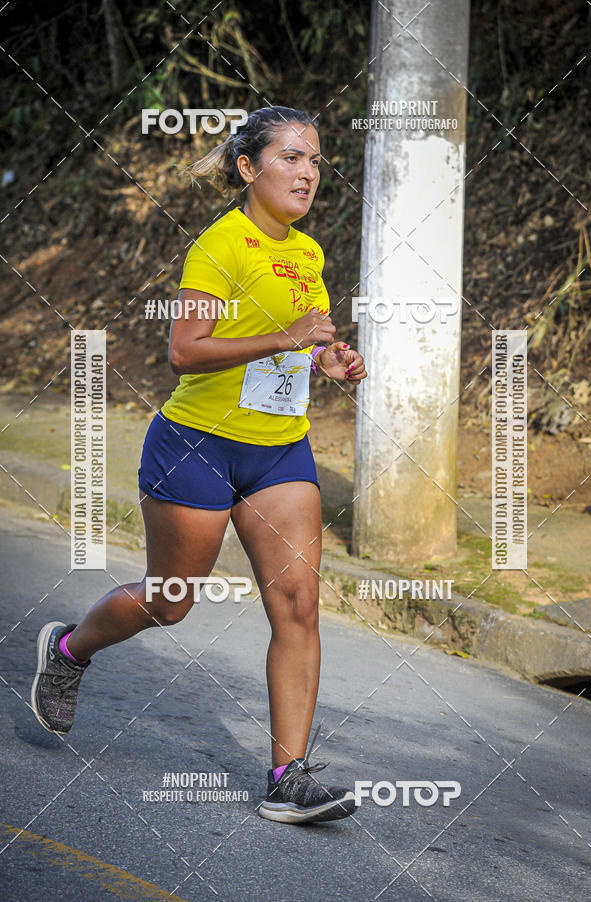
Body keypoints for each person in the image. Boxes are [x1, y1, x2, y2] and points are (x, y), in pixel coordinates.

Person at [30, 106, 367, 825]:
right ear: (249, 168)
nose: (308, 173)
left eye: (315, 162)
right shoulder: (220, 245)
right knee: (171, 601)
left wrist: (328, 359)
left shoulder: (306, 253)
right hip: (196, 444)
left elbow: (304, 344)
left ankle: (289, 777)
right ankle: (68, 648)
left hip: (279, 448)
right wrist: (286, 334)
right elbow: (186, 350)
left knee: (299, 605)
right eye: (292, 159)